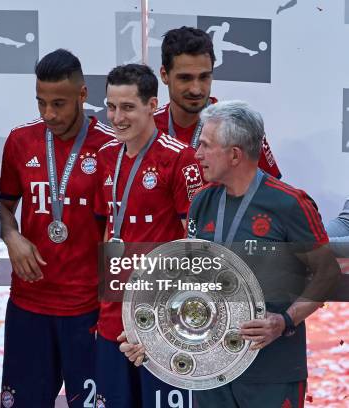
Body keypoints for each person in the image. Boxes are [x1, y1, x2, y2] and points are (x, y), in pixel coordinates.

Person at [120, 100, 340, 408]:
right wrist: (150, 337)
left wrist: (284, 321)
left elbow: (328, 275)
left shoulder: (290, 204)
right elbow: (188, 282)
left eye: (206, 146)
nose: (197, 154)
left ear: (234, 154)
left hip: (271, 373)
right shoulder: (201, 202)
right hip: (212, 369)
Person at [0, 49, 113, 407]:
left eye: (59, 104)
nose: (49, 114)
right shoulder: (20, 140)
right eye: (41, 102)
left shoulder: (110, 145)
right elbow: (1, 207)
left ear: (82, 95)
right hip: (29, 304)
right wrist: (12, 236)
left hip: (88, 309)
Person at [93, 64, 202, 407]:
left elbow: (195, 248)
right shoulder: (106, 156)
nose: (117, 117)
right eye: (111, 106)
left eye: (127, 107)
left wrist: (167, 320)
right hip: (113, 317)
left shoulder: (180, 158)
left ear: (152, 105)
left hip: (161, 324)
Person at [154, 26, 281, 178]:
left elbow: (271, 192)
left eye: (204, 77)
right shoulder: (147, 128)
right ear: (164, 75)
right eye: (185, 78)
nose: (196, 89)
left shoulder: (241, 128)